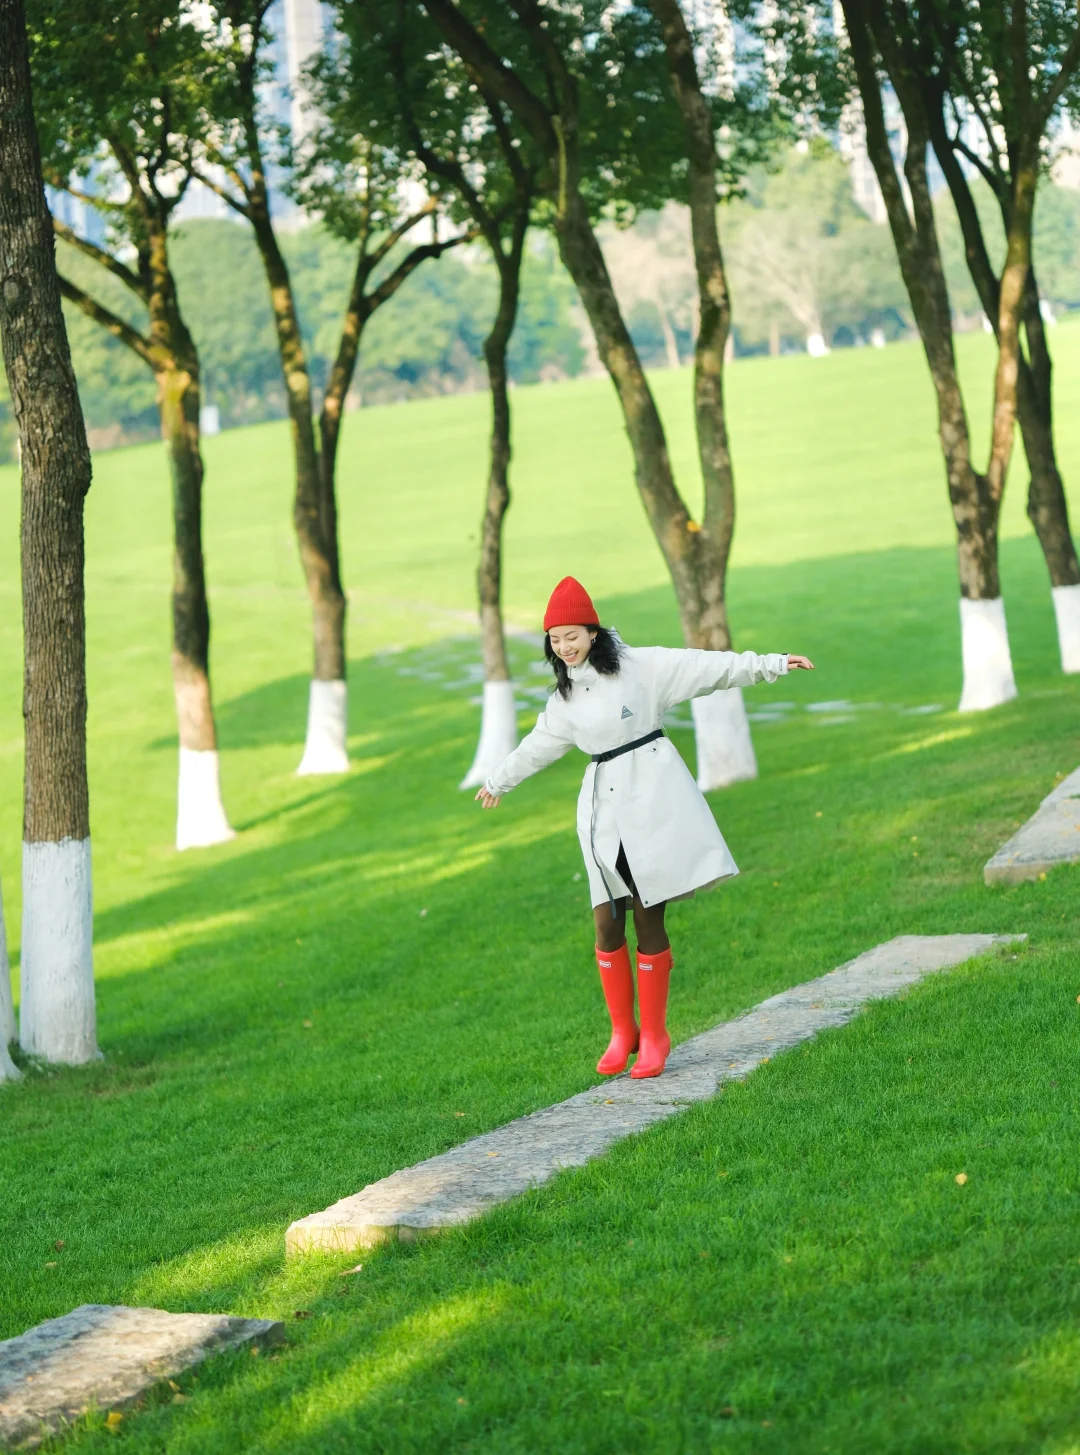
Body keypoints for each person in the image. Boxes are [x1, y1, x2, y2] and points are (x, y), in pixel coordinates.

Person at [476, 576, 815, 1079]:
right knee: (606, 921)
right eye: (555, 639)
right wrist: (499, 780)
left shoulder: (642, 668)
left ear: (592, 632)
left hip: (652, 803)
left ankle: (655, 1035)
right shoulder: (565, 699)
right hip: (602, 814)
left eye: (572, 636)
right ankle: (623, 1032)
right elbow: (538, 745)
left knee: (648, 915)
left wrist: (771, 664)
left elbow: (707, 668)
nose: (564, 647)